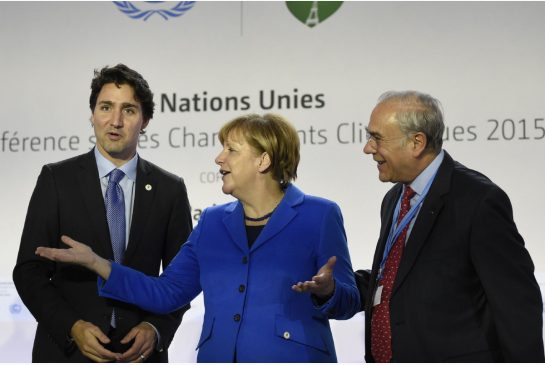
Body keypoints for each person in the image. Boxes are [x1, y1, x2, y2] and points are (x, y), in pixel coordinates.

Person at [35, 113, 360, 362]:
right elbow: (166, 293)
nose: (219, 159)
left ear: (263, 160)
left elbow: (348, 301)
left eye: (231, 150)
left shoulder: (319, 215)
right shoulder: (213, 223)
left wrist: (329, 291)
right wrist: (99, 264)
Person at [302, 90, 544, 362]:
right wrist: (335, 288)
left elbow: (517, 304)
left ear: (417, 142)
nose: (367, 148)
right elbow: (397, 278)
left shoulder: (478, 200)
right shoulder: (395, 198)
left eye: (376, 138)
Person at [13, 64, 193, 362]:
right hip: (66, 351)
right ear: (92, 114)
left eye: (129, 110)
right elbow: (29, 271)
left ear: (145, 120)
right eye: (106, 107)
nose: (115, 121)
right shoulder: (57, 180)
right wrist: (72, 327)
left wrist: (156, 328)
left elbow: (181, 281)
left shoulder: (170, 189)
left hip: (139, 356)